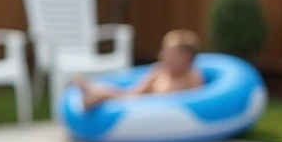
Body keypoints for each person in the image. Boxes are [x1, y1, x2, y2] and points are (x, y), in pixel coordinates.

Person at [73, 29, 205, 110]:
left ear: (186, 57)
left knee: (120, 97)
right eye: (164, 52)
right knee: (123, 95)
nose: (163, 57)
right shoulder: (159, 72)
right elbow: (133, 93)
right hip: (141, 104)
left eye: (171, 55)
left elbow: (196, 104)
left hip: (156, 110)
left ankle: (95, 92)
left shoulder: (192, 78)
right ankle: (94, 91)